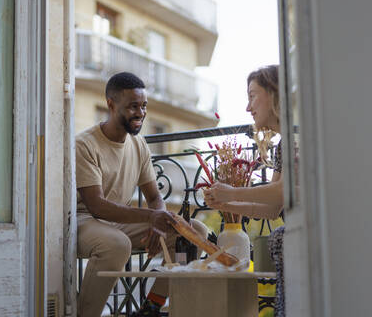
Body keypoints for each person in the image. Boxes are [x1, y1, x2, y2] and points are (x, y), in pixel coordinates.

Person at [76, 72, 207, 317]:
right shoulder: (85, 144)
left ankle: (152, 307)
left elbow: (155, 197)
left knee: (193, 233)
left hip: (120, 223)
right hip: (85, 222)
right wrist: (149, 218)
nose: (141, 113)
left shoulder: (138, 145)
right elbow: (96, 206)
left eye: (144, 106)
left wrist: (158, 223)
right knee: (116, 244)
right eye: (133, 106)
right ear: (111, 104)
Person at [203, 65, 286, 316]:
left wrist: (233, 193)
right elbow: (273, 209)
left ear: (274, 94)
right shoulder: (285, 144)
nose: (248, 108)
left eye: (252, 96)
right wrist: (225, 205)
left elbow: (283, 192)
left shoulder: (299, 136)